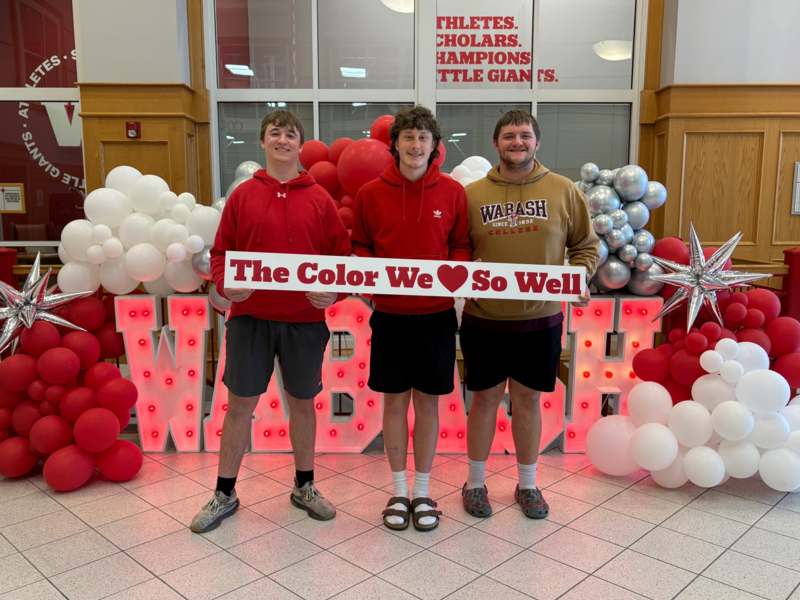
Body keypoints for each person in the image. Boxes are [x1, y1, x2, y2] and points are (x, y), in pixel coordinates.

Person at [191, 110, 351, 533]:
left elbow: (341, 258)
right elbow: (222, 253)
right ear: (263, 143)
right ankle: (224, 492)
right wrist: (226, 284)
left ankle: (304, 486)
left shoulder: (320, 199)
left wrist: (334, 290)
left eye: (290, 134)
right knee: (240, 406)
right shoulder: (244, 196)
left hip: (302, 321)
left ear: (300, 145)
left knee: (302, 403)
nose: (282, 140)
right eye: (275, 133)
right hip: (251, 320)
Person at [460, 109, 598, 520]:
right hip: (484, 318)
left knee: (528, 399)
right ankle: (475, 482)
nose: (516, 142)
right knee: (483, 399)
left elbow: (585, 247)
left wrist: (577, 279)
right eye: (508, 136)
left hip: (540, 319)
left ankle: (528, 484)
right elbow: (456, 252)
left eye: (524, 136)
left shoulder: (563, 190)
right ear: (495, 144)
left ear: (537, 142)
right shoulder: (472, 195)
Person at [351, 106, 470, 531]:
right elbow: (361, 245)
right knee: (395, 404)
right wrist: (370, 275)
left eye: (423, 138)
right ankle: (398, 490)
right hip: (391, 317)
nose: (415, 145)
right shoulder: (370, 193)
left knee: (428, 404)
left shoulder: (453, 193)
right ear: (395, 144)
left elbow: (461, 246)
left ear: (434, 146)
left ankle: (423, 490)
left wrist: (451, 277)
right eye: (408, 137)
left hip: (436, 317)